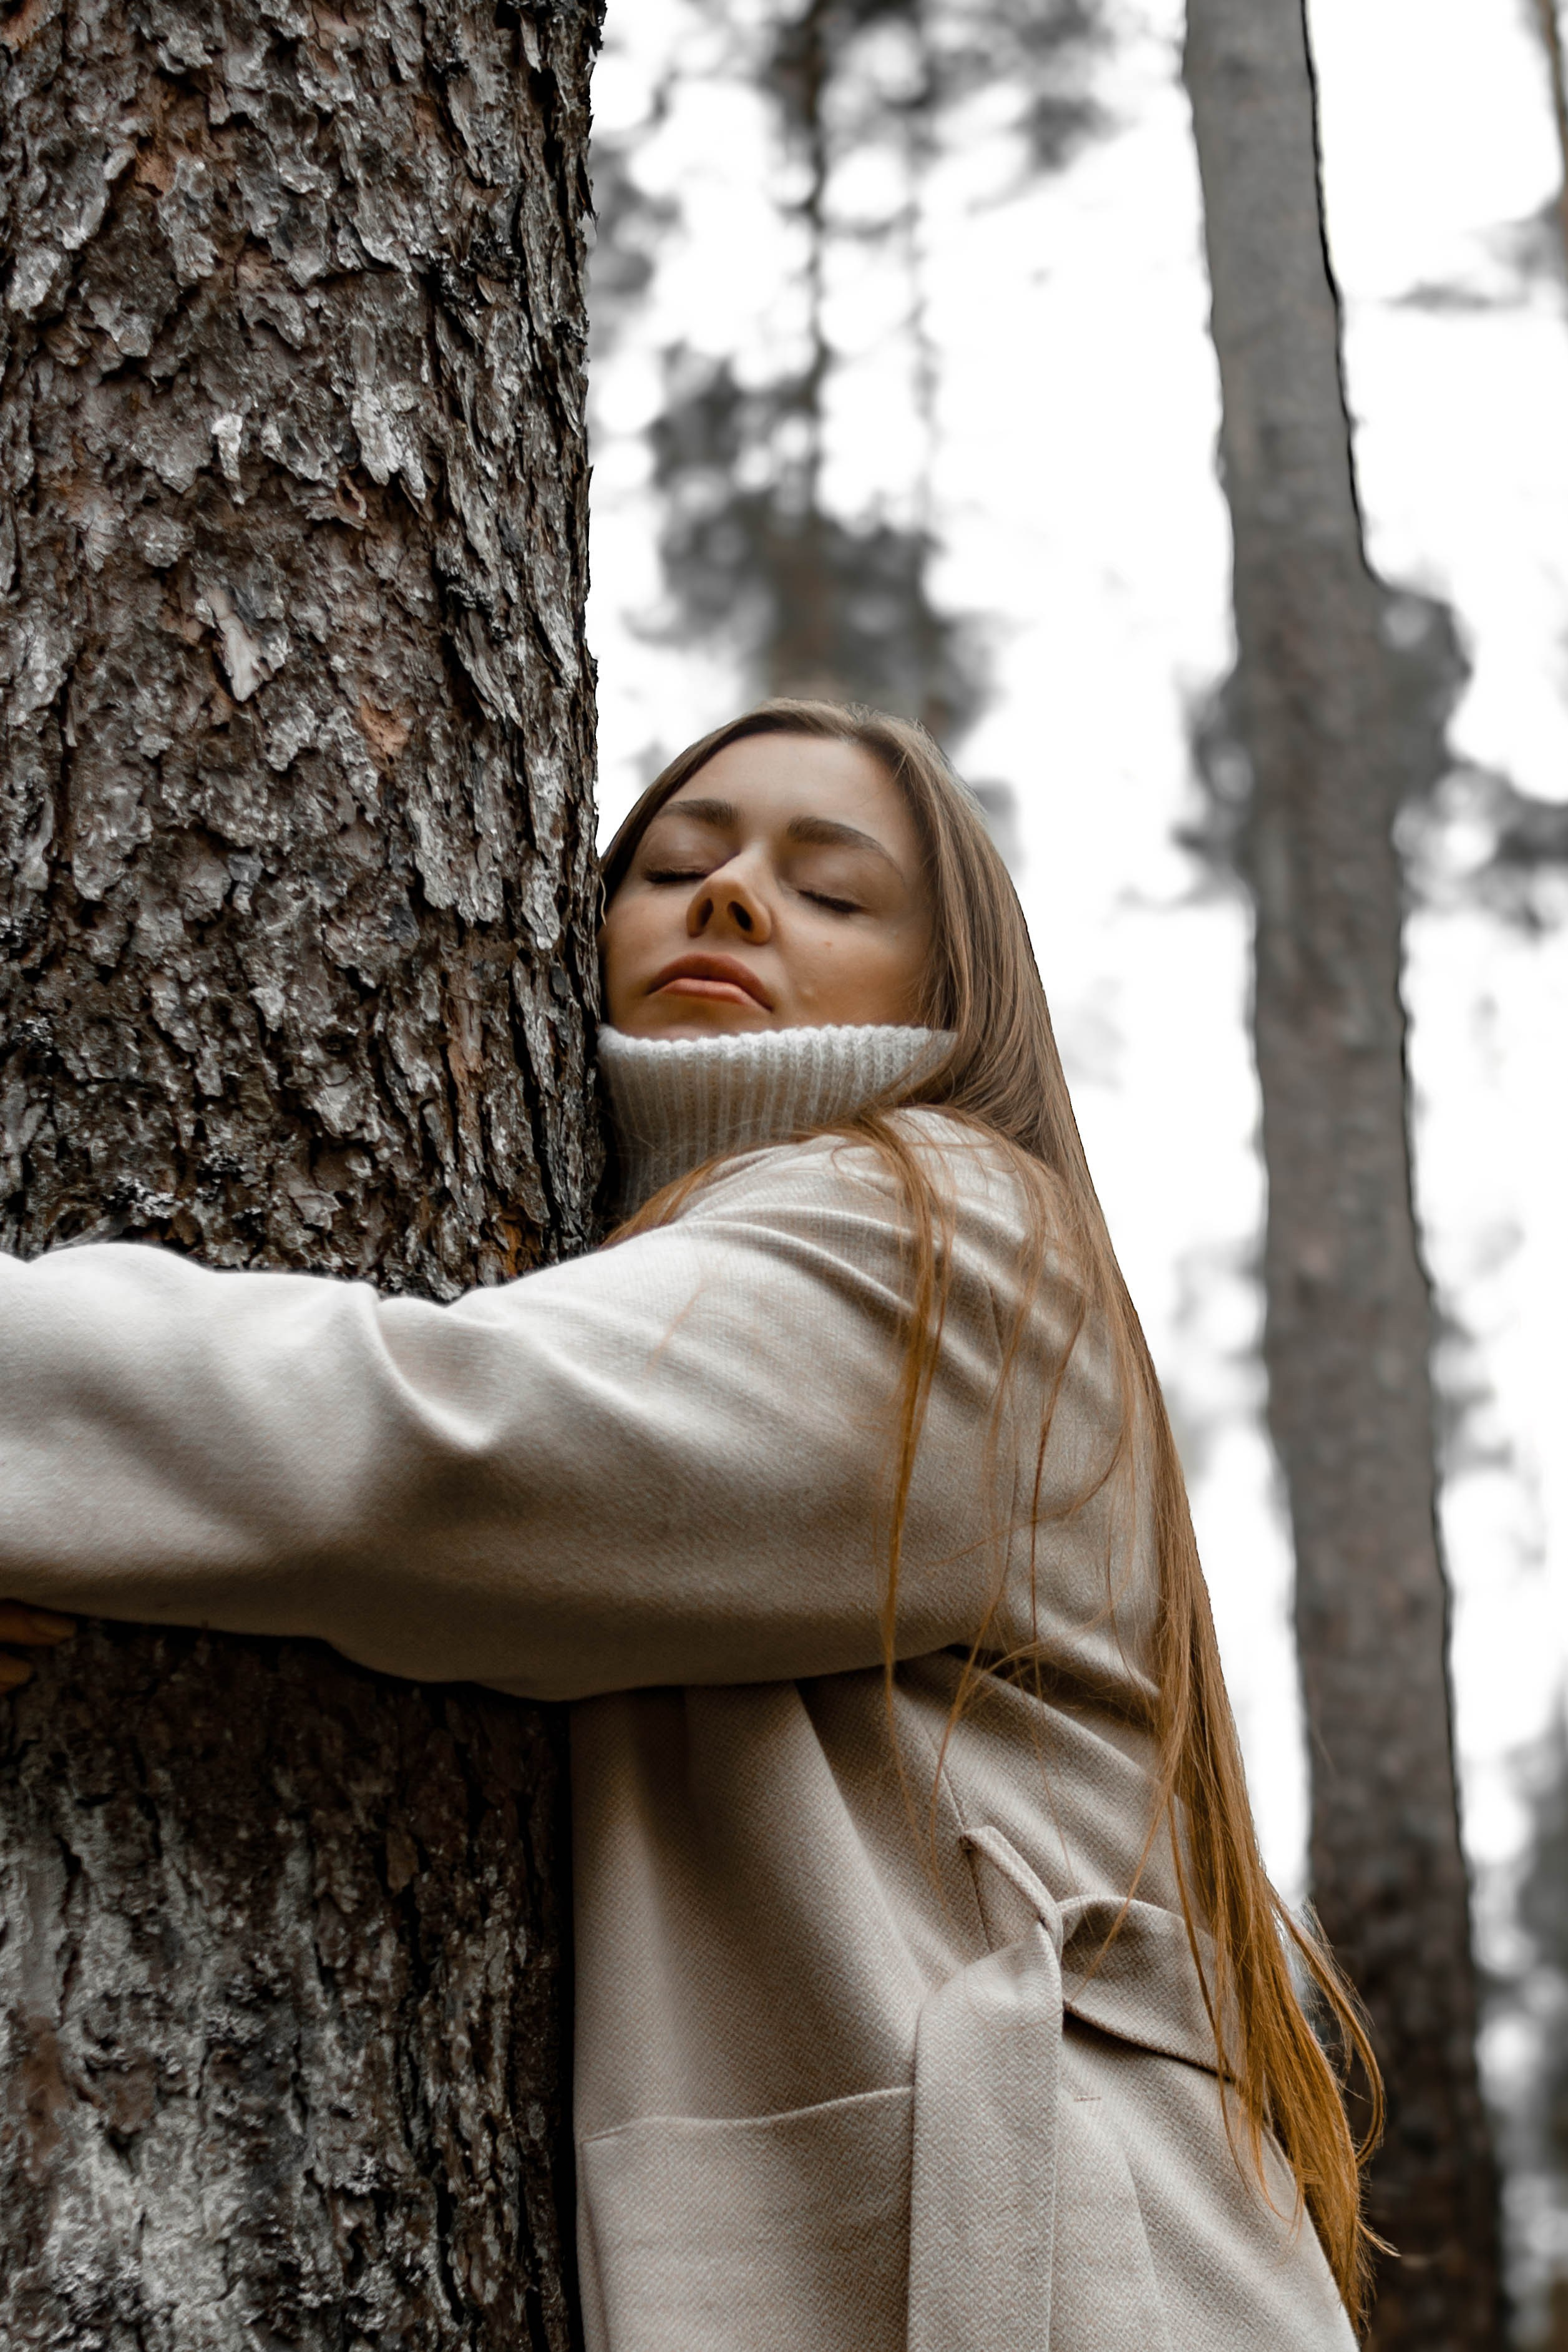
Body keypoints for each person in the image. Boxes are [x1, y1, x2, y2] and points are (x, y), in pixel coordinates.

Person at [0, 699, 1374, 2350]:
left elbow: (443, 1455)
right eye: (674, 861)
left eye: (832, 889)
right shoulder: (684, 1283)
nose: (731, 897)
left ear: (952, 997)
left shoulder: (952, 1238)